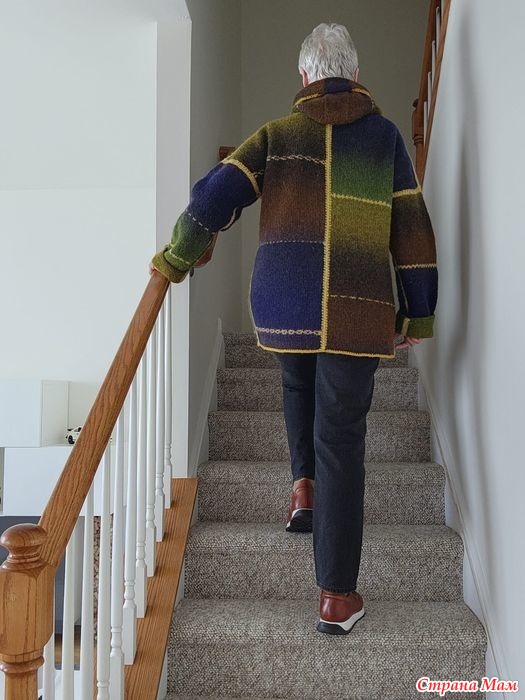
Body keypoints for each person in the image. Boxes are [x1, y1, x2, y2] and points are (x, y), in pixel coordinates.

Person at [151, 22, 438, 635]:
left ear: (305, 75)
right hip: (359, 310)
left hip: (285, 304)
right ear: (354, 75)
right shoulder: (385, 138)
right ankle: (336, 596)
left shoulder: (276, 136)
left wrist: (176, 258)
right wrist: (418, 311)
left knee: (296, 385)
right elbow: (412, 227)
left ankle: (302, 486)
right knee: (344, 441)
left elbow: (212, 199)